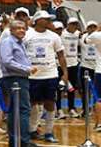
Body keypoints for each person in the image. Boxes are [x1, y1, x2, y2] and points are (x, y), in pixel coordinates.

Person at [25, 10, 69, 143]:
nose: (49, 21)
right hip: (32, 76)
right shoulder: (27, 34)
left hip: (50, 74)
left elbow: (61, 55)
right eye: (46, 19)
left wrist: (65, 74)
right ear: (37, 20)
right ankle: (32, 130)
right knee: (32, 104)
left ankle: (49, 132)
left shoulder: (54, 36)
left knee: (50, 103)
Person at [0, 20, 39, 147]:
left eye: (23, 28)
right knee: (22, 110)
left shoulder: (19, 43)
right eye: (18, 28)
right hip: (15, 79)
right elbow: (7, 61)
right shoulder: (8, 42)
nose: (21, 30)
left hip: (18, 79)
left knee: (16, 110)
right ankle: (23, 141)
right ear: (11, 30)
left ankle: (17, 140)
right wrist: (26, 69)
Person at [60, 17, 82, 118]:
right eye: (72, 24)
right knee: (59, 88)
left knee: (72, 89)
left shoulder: (78, 34)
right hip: (62, 65)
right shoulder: (62, 34)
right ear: (67, 25)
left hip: (73, 65)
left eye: (75, 24)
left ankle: (71, 108)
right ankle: (59, 110)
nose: (74, 26)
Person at [78, 21, 98, 117]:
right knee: (85, 90)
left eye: (94, 27)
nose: (92, 29)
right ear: (87, 28)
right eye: (90, 27)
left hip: (97, 67)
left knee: (96, 89)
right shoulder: (83, 37)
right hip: (85, 67)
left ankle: (96, 107)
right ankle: (85, 109)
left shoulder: (99, 37)